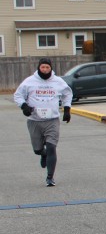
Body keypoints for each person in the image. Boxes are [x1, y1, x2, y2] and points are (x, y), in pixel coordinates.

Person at [13, 58, 73, 187]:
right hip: (34, 120)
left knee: (51, 147)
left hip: (52, 120)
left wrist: (67, 109)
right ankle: (43, 153)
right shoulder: (29, 81)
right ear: (39, 68)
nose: (45, 70)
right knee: (37, 149)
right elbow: (18, 95)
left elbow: (67, 94)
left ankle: (50, 177)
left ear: (51, 68)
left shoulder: (58, 81)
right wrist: (24, 106)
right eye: (43, 67)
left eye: (47, 67)